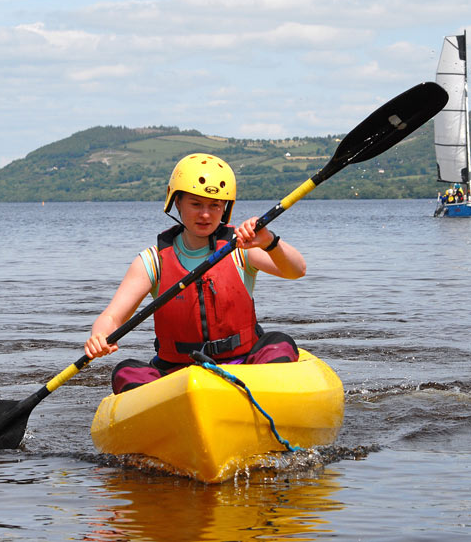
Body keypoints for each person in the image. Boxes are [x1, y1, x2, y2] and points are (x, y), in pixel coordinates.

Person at [84, 153, 307, 394]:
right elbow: (112, 318)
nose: (206, 215)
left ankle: (268, 401)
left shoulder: (241, 247)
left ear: (225, 208)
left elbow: (296, 270)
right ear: (177, 202)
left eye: (214, 205)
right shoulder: (152, 261)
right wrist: (99, 336)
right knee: (125, 371)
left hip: (242, 364)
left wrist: (269, 242)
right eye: (196, 204)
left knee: (279, 343)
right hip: (177, 374)